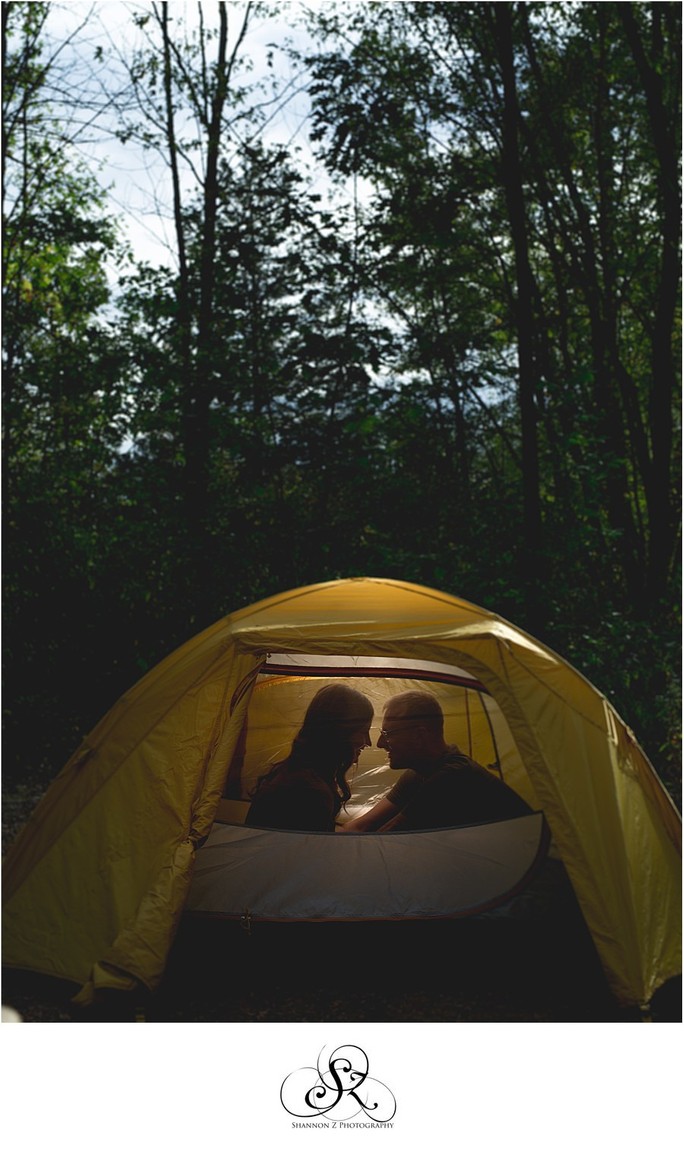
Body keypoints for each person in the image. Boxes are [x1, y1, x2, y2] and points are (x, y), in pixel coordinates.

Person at [338, 690, 532, 833]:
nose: (380, 744)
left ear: (419, 735)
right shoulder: (419, 772)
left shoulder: (455, 777)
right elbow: (363, 825)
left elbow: (384, 839)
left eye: (388, 734)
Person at [245, 684, 373, 832]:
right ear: (340, 732)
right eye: (364, 731)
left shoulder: (294, 774)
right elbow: (308, 853)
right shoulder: (309, 791)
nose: (368, 742)